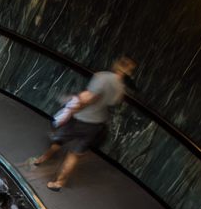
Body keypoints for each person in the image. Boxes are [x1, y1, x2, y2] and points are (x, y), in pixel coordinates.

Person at [23, 56, 136, 191]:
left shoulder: (103, 77)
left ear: (116, 63)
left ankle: (41, 160)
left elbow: (88, 97)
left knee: (58, 140)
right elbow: (111, 104)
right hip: (96, 125)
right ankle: (58, 183)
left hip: (81, 119)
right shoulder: (121, 88)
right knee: (74, 154)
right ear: (128, 71)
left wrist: (73, 104)